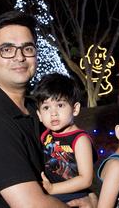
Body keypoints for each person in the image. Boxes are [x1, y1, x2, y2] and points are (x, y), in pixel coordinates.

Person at [0, 10, 93, 207]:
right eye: (7, 49)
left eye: (27, 49)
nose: (19, 57)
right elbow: (32, 205)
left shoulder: (33, 109)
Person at [33, 73, 97, 202]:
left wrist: (52, 189)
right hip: (51, 194)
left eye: (60, 105)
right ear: (39, 115)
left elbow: (86, 179)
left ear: (75, 109)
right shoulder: (46, 135)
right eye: (46, 107)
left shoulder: (80, 140)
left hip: (74, 195)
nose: (53, 113)